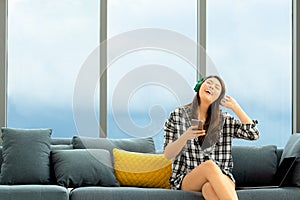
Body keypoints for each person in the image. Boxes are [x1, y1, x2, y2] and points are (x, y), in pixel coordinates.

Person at [163, 75, 259, 200]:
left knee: (208, 189)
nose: (211, 87)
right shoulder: (177, 115)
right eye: (209, 83)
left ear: (219, 98)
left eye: (216, 87)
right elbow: (168, 154)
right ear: (199, 86)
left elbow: (253, 134)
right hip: (187, 178)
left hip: (221, 176)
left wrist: (236, 107)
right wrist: (185, 137)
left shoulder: (224, 120)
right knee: (209, 166)